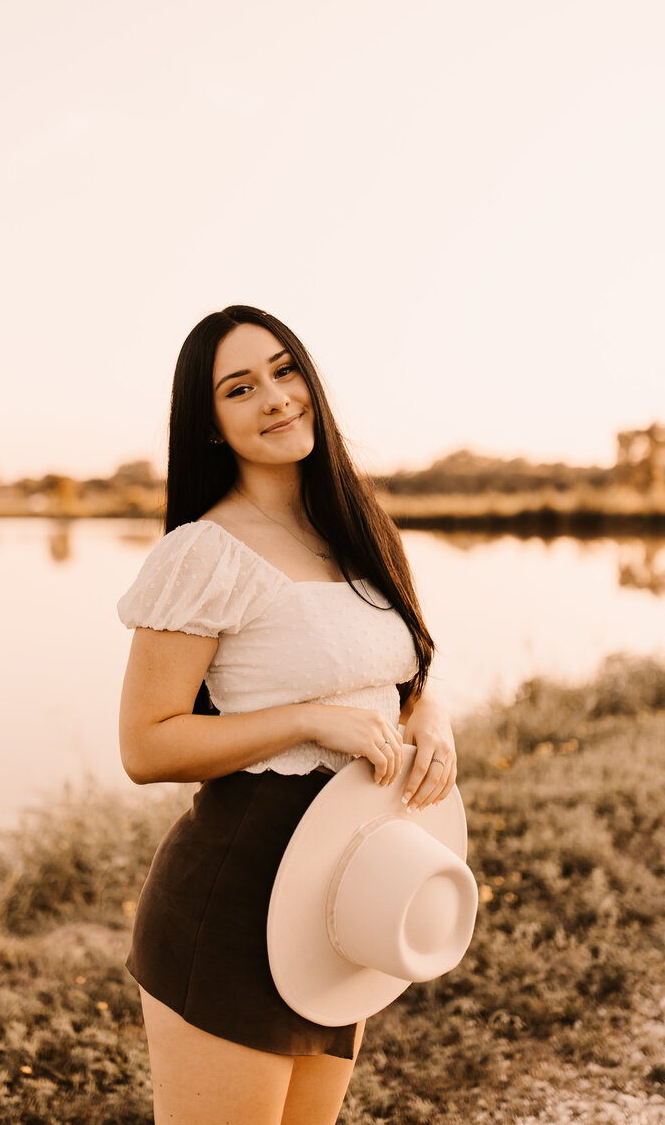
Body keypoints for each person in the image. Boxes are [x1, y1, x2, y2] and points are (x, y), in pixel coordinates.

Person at [117, 305, 458, 1125]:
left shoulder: (359, 529)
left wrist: (433, 717)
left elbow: (403, 676)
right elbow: (145, 744)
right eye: (241, 388)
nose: (275, 397)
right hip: (236, 890)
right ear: (210, 427)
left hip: (347, 882)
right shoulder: (205, 553)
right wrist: (308, 719)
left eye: (284, 370)